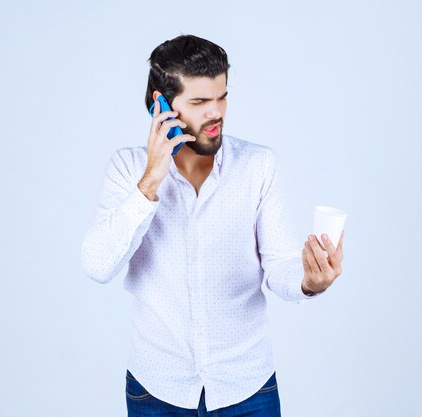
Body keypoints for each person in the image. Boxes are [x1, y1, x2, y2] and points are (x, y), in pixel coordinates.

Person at [81, 34, 345, 417]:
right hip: (157, 389)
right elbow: (97, 265)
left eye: (221, 97)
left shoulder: (258, 166)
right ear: (161, 104)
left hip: (247, 388)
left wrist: (309, 282)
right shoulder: (127, 170)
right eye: (200, 101)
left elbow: (280, 267)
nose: (216, 112)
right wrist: (152, 179)